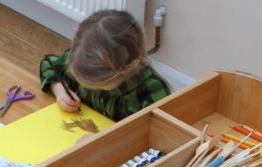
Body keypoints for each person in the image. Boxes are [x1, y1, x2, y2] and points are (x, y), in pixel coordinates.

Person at [39, 9, 171, 122]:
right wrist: (60, 90)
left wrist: (106, 143)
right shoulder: (84, 61)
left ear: (125, 69)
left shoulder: (154, 92)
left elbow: (156, 134)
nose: (91, 88)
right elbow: (49, 64)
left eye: (97, 85)